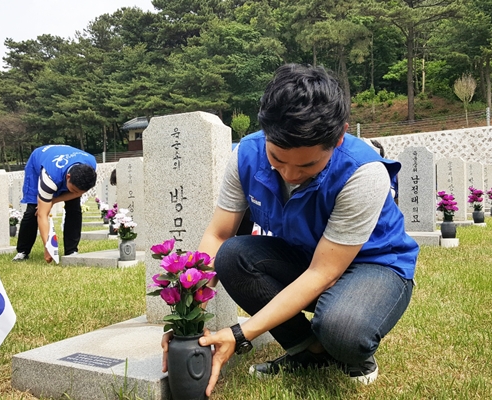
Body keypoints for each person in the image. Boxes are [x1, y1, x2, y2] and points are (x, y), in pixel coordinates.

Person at [161, 64, 419, 396]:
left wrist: (241, 333)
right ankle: (308, 350)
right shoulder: (246, 155)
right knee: (233, 256)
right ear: (265, 134)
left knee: (341, 328)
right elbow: (219, 235)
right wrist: (189, 313)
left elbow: (323, 273)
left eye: (308, 165)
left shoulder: (363, 172)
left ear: (338, 137)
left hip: (375, 265)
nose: (289, 174)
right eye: (277, 159)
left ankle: (350, 351)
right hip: (306, 257)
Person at [13, 144, 97, 263]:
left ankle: (71, 250)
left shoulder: (90, 164)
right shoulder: (49, 176)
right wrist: (48, 247)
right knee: (33, 210)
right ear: (68, 177)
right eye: (73, 190)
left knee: (74, 208)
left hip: (66, 156)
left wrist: (53, 201)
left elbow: (77, 193)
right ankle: (23, 251)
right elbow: (42, 214)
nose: (76, 193)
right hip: (39, 161)